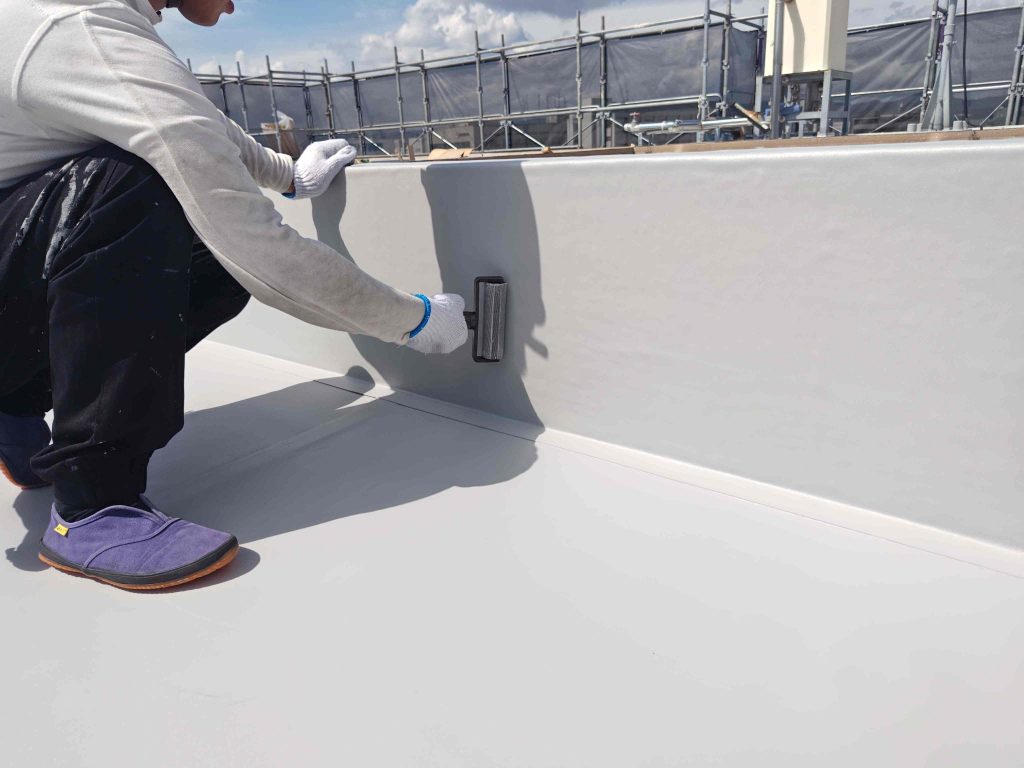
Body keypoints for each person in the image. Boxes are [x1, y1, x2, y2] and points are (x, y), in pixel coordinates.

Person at [0, 0, 469, 590]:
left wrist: (288, 175)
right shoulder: (79, 31)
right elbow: (256, 249)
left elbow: (186, 119)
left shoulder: (79, 21)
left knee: (207, 257)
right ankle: (93, 503)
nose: (233, 5)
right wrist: (413, 320)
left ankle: (15, 401)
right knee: (140, 186)